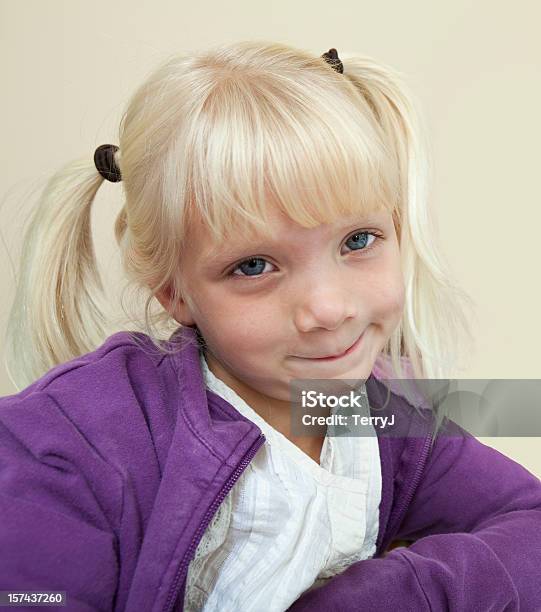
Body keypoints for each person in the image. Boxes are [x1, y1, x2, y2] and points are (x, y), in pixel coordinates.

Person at [1, 40, 540, 611]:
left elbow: (528, 523)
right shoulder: (69, 441)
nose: (329, 309)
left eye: (358, 241)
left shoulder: (379, 419)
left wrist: (385, 596)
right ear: (174, 291)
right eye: (254, 266)